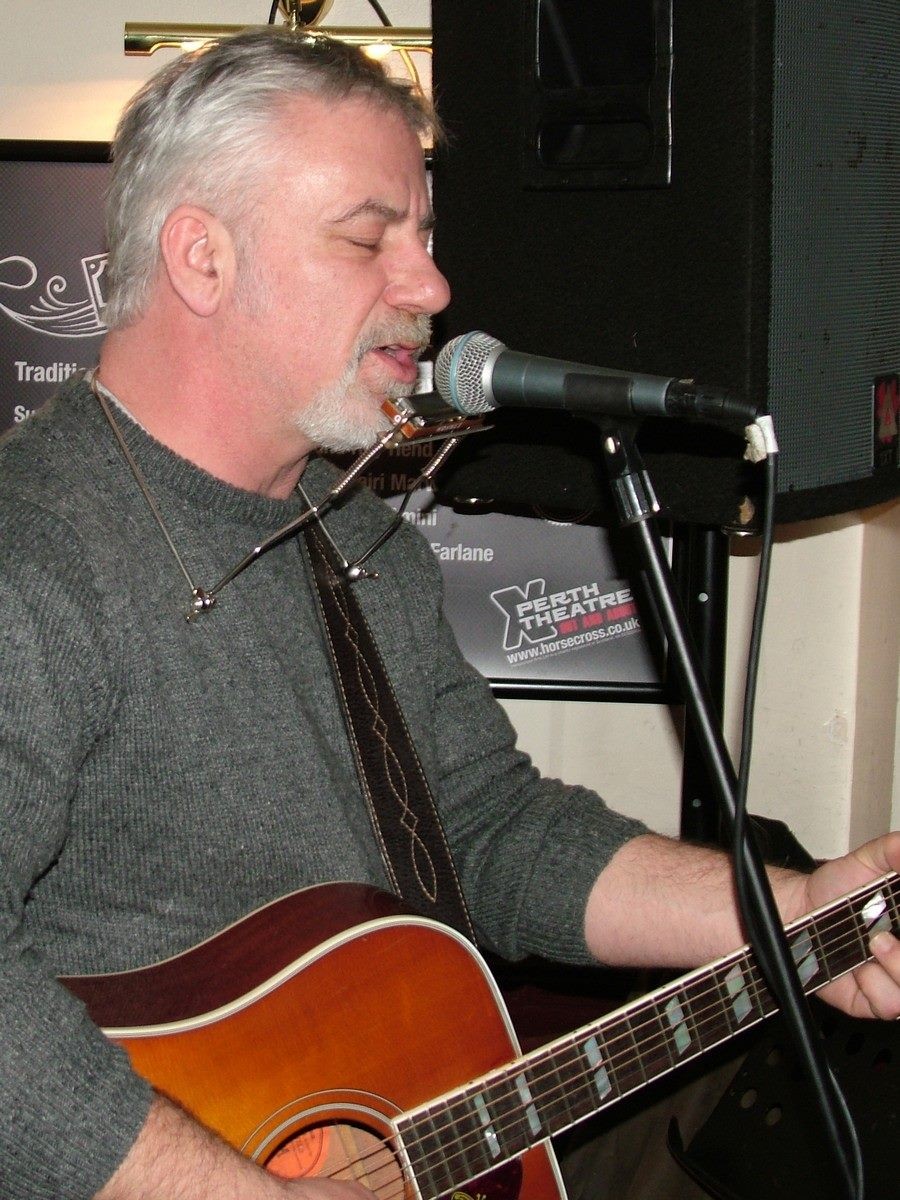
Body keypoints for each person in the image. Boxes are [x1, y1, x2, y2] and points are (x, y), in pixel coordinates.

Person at [0, 29, 897, 1200]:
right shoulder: (36, 555)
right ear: (203, 258)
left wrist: (795, 912)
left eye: (424, 239)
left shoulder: (361, 540)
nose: (430, 289)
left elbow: (490, 830)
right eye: (369, 237)